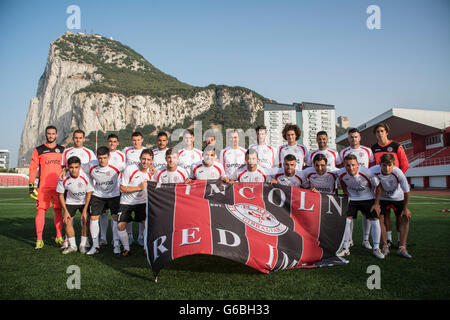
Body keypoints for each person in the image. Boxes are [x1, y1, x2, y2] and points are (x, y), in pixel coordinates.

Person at [336, 154, 384, 259]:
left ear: (358, 165)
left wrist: (376, 204)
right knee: (346, 220)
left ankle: (376, 248)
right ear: (344, 165)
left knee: (374, 220)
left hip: (367, 198)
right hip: (352, 199)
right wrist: (344, 191)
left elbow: (379, 187)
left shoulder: (367, 173)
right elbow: (342, 180)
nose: (351, 168)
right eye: (348, 165)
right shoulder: (341, 173)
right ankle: (345, 248)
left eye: (353, 165)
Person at [371, 122, 410, 247]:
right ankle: (388, 239)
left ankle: (400, 240)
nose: (380, 134)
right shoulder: (373, 148)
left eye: (382, 131)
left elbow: (405, 165)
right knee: (385, 215)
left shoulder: (396, 146)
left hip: (395, 187)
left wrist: (395, 179)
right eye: (377, 132)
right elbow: (372, 168)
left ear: (387, 132)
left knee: (399, 216)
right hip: (382, 188)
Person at [82, 146, 125, 255]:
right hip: (98, 195)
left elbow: (130, 167)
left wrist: (150, 168)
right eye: (100, 158)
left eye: (105, 158)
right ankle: (95, 246)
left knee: (115, 218)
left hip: (114, 194)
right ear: (97, 157)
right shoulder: (91, 165)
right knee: (93, 217)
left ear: (109, 157)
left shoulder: (117, 165)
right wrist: (66, 169)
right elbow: (79, 167)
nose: (102, 160)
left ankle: (116, 244)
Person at [29, 125, 65, 249]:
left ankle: (59, 236)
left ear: (56, 135)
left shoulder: (62, 150)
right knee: (40, 211)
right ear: (46, 134)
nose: (51, 136)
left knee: (58, 211)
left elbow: (66, 168)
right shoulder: (38, 150)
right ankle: (39, 239)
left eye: (53, 133)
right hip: (43, 188)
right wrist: (31, 184)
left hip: (58, 187)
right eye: (49, 133)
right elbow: (33, 168)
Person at [339, 128, 376, 249]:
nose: (353, 139)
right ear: (348, 138)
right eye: (351, 137)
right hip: (352, 190)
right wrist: (345, 190)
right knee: (349, 217)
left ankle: (366, 240)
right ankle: (349, 240)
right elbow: (342, 172)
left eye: (355, 137)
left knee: (367, 216)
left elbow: (371, 167)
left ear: (359, 137)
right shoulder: (343, 152)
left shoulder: (367, 150)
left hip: (366, 189)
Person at [370, 154, 412, 258]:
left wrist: (406, 209)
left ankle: (402, 247)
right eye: (384, 165)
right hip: (383, 198)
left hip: (398, 197)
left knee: (405, 217)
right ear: (380, 164)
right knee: (379, 217)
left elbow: (406, 191)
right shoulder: (372, 170)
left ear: (393, 165)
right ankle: (385, 246)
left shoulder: (398, 173)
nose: (387, 168)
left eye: (389, 165)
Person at [117, 149, 155, 256]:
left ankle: (146, 248)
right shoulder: (130, 169)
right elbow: (122, 189)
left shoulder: (152, 172)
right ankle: (126, 249)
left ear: (152, 160)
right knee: (120, 225)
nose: (145, 162)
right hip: (126, 202)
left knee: (147, 224)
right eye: (143, 159)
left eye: (148, 160)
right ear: (140, 159)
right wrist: (138, 187)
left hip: (142, 202)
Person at [56, 156, 94, 254]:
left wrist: (85, 210)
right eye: (71, 167)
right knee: (67, 221)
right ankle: (72, 246)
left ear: (80, 167)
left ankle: (83, 245)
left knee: (86, 220)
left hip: (83, 202)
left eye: (76, 167)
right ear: (68, 167)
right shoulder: (63, 177)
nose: (74, 170)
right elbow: (60, 195)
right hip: (70, 201)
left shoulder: (85, 176)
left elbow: (89, 193)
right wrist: (65, 211)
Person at [99, 134, 126, 246]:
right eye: (110, 141)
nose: (112, 143)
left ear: (118, 142)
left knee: (115, 215)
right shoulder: (103, 154)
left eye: (114, 141)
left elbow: (124, 170)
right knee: (103, 214)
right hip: (103, 190)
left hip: (116, 189)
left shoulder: (121, 155)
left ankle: (115, 240)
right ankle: (103, 238)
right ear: (107, 142)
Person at [122, 131, 146, 245]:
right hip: (129, 184)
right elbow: (122, 165)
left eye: (138, 140)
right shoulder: (126, 150)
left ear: (142, 140)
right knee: (128, 216)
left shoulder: (145, 151)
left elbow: (150, 164)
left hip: (141, 184)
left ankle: (141, 237)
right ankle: (130, 236)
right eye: (134, 140)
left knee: (142, 216)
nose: (136, 142)